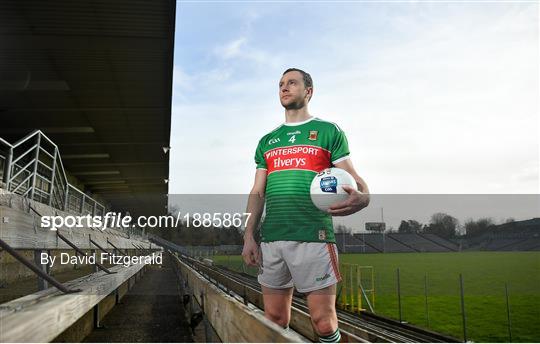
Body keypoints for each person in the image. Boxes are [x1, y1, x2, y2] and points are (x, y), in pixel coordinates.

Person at [242, 68, 370, 343]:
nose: (284, 88)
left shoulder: (328, 131)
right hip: (272, 239)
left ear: (308, 91)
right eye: (280, 85)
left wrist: (365, 196)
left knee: (323, 322)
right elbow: (257, 191)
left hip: (314, 237)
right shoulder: (267, 141)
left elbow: (353, 179)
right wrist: (248, 236)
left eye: (291, 83)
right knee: (275, 321)